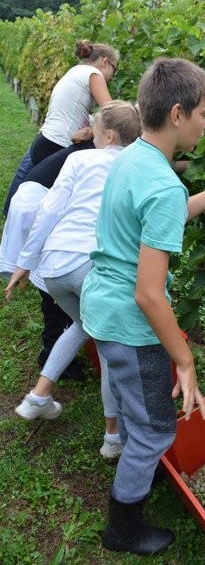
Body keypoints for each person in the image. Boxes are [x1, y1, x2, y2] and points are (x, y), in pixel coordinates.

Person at [79, 57, 205, 555]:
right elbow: (150, 294)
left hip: (103, 305)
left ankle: (136, 465)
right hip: (130, 323)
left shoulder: (137, 156)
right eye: (203, 113)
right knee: (157, 430)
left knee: (139, 409)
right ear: (178, 114)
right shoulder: (160, 183)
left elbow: (160, 210)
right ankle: (123, 529)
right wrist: (185, 357)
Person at [5, 100, 142, 459]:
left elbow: (49, 209)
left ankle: (39, 396)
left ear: (108, 133)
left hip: (53, 268)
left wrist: (24, 262)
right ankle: (113, 437)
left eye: (95, 133)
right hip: (91, 266)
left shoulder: (78, 159)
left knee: (82, 325)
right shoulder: (134, 166)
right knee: (110, 346)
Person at [0, 129, 95, 380]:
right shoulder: (100, 155)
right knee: (53, 284)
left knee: (53, 281)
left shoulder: (91, 145)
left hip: (34, 199)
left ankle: (55, 347)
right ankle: (53, 351)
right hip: (38, 207)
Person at [3, 39, 118, 215]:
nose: (113, 76)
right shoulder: (94, 74)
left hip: (45, 139)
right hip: (59, 143)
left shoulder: (74, 72)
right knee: (52, 203)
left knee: (27, 186)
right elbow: (112, 113)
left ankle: (10, 218)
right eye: (114, 69)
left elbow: (73, 111)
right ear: (104, 61)